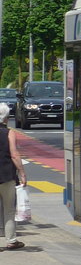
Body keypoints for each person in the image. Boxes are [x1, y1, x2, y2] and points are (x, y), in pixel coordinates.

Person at [0, 103, 28, 250]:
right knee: (9, 209)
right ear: (6, 118)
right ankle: (11, 241)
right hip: (6, 177)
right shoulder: (9, 133)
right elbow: (14, 154)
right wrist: (22, 173)